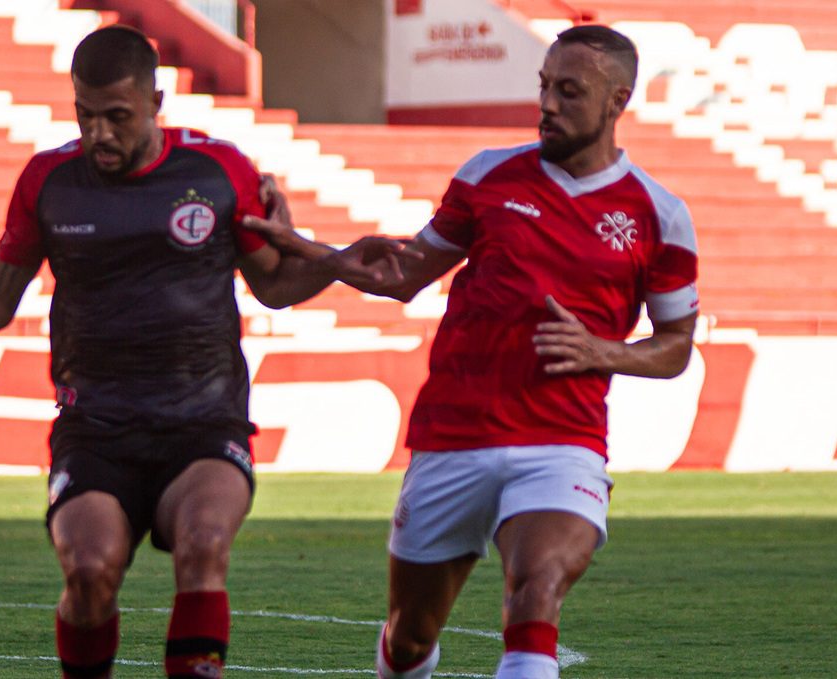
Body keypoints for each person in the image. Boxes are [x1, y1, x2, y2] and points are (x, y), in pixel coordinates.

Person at [0, 25, 407, 679]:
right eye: (86, 115)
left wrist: (339, 263)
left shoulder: (218, 172)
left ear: (156, 102)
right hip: (96, 428)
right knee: (89, 570)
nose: (99, 133)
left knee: (205, 545)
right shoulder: (50, 181)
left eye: (117, 117)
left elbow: (273, 284)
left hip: (204, 423)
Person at [242, 25, 699, 679]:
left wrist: (604, 351)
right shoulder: (488, 175)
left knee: (533, 594)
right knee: (408, 634)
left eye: (570, 92)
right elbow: (403, 274)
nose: (548, 104)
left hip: (561, 442)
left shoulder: (659, 214)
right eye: (545, 87)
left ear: (618, 100)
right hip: (454, 435)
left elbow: (676, 344)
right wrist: (315, 251)